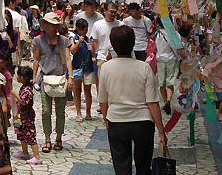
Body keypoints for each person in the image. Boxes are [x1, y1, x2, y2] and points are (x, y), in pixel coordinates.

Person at [99, 26, 167, 175]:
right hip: (143, 123)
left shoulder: (106, 68)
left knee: (121, 166)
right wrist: (161, 131)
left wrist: (106, 119)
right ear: (133, 43)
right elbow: (152, 102)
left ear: (113, 45)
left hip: (117, 121)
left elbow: (103, 101)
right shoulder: (144, 68)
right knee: (143, 166)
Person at [32, 11, 72, 153]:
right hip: (45, 79)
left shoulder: (64, 41)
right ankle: (48, 139)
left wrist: (71, 77)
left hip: (61, 78)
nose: (51, 27)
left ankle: (59, 138)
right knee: (46, 111)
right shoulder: (38, 41)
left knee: (60, 111)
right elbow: (36, 59)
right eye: (48, 24)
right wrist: (33, 77)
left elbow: (68, 59)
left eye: (53, 24)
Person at [12, 66, 42, 165]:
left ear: (22, 77)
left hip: (27, 118)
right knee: (20, 134)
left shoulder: (28, 90)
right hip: (19, 116)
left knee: (30, 136)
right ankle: (24, 152)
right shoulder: (24, 87)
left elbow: (23, 102)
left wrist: (15, 94)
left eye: (18, 76)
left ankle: (37, 156)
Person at [70, 18, 95, 122]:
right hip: (77, 67)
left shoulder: (89, 39)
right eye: (83, 30)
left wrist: (93, 47)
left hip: (87, 67)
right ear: (78, 29)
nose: (85, 31)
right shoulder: (73, 38)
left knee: (87, 90)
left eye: (86, 29)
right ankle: (78, 112)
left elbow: (92, 53)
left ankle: (88, 112)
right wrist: (79, 42)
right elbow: (72, 51)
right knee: (77, 91)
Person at [155, 21, 180, 115]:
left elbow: (155, 48)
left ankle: (165, 102)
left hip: (160, 60)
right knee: (170, 82)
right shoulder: (174, 34)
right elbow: (179, 46)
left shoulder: (157, 34)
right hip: (172, 59)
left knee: (161, 84)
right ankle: (169, 101)